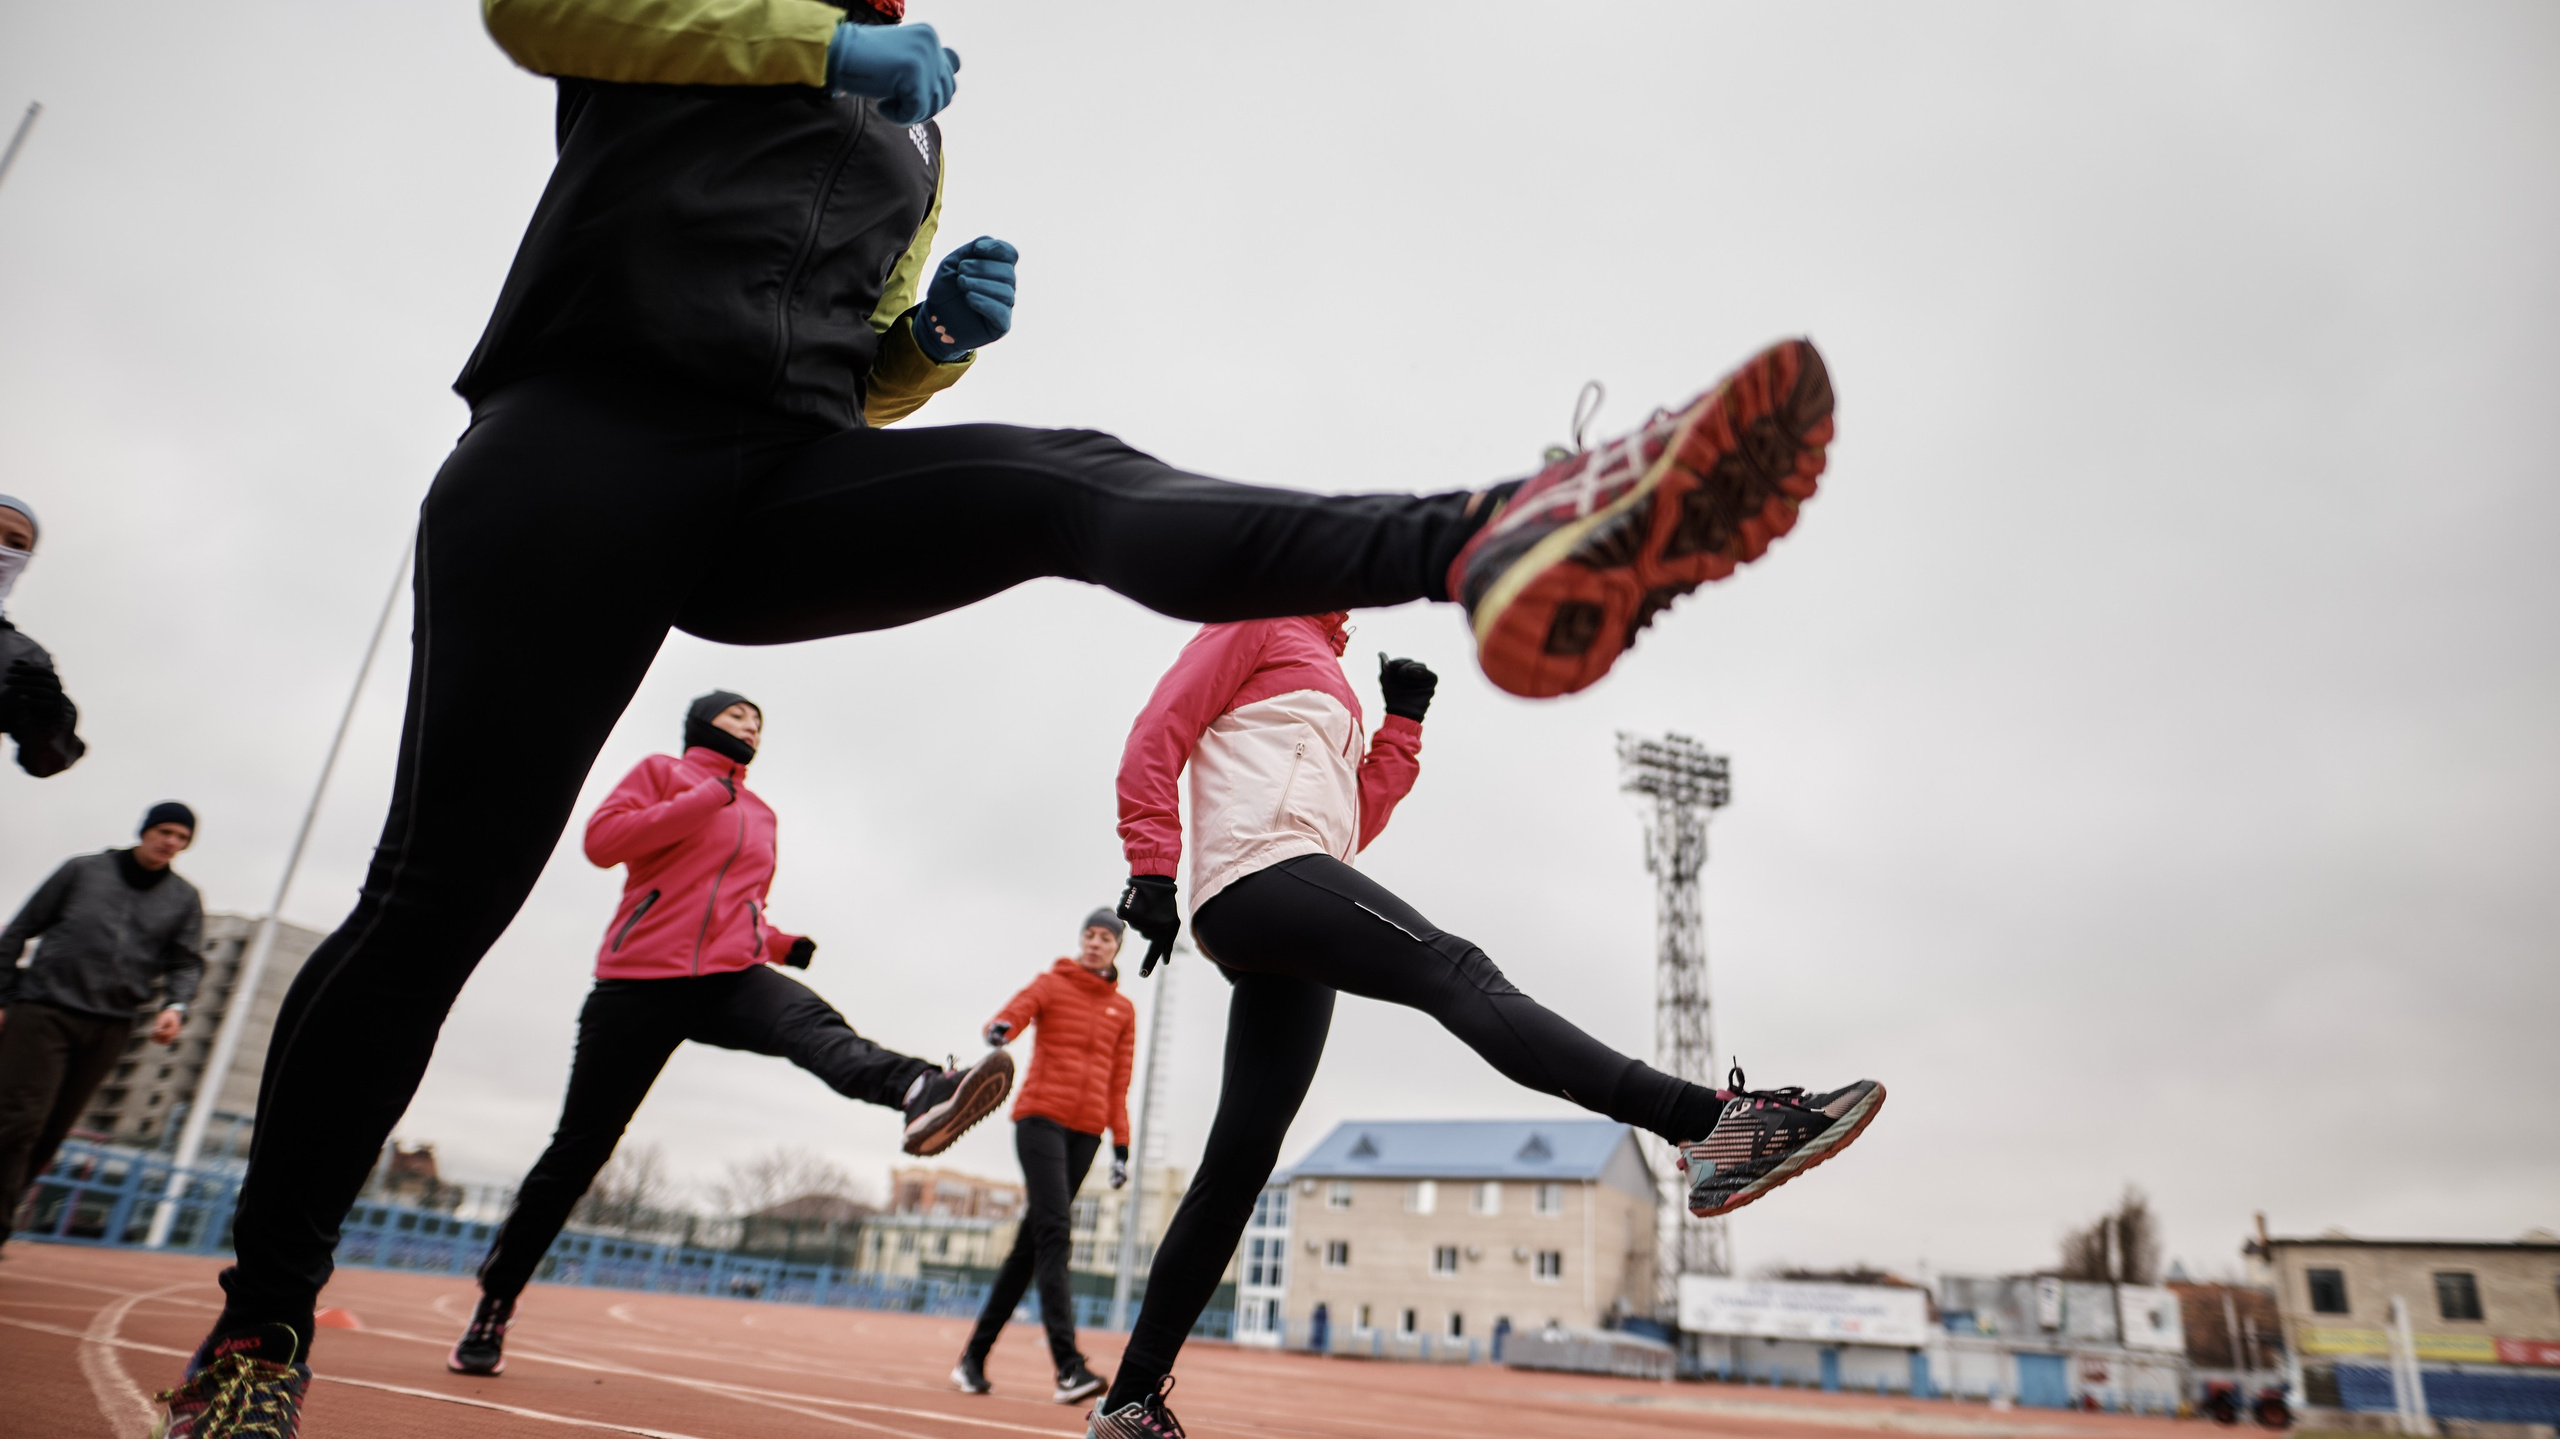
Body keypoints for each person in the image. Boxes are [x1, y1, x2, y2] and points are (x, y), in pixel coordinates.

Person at [159, 0, 1837, 1425]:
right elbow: (532, 10)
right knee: (437, 903)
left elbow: (836, 359)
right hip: (580, 442)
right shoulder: (792, 31)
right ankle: (263, 1318)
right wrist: (816, 43)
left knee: (1072, 480)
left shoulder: (917, 127)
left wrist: (925, 348)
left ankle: (1491, 527)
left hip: (774, 476)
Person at [1083, 618, 1885, 1437]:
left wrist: (1401, 727)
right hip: (1259, 874)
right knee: (1457, 972)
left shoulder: (1332, 669)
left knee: (1239, 1160)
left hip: (1288, 890)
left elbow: (1349, 826)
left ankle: (1130, 1401)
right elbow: (1159, 729)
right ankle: (1705, 1123)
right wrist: (1151, 862)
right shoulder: (1257, 618)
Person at [443, 691, 1012, 1377]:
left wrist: (778, 941)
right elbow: (604, 842)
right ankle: (495, 1302)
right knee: (580, 1149)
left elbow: (735, 905)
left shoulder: (761, 811)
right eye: (738, 717)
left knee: (810, 1024)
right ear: (703, 723)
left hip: (725, 974)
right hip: (636, 981)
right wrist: (702, 797)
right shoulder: (665, 774)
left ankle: (923, 1087)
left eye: (759, 723)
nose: (751, 728)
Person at [953, 908, 1136, 1405]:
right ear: (1081, 940)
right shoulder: (1051, 984)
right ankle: (1068, 1368)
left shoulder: (1124, 1010)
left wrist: (1121, 1145)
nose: (1096, 943)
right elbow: (1018, 1010)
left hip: (1087, 1132)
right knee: (1055, 1232)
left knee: (1029, 1248)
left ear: (1117, 946)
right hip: (1040, 1119)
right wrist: (1000, 1031)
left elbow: (1120, 1082)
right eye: (1090, 935)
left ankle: (972, 1359)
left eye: (1106, 937)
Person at [0, 804, 201, 1250]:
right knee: (18, 1121)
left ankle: (4, 1209)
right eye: (165, 831)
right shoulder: (83, 871)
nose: (171, 842)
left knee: (53, 1131)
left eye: (182, 838)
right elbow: (20, 930)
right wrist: (3, 994)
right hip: (44, 1010)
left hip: (111, 1024)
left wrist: (176, 1004)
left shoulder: (183, 899)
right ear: (145, 830)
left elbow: (185, 962)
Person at [0, 495, 86, 779]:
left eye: (16, 544)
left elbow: (45, 761)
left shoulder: (20, 656)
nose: (2, 549)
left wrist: (51, 718)